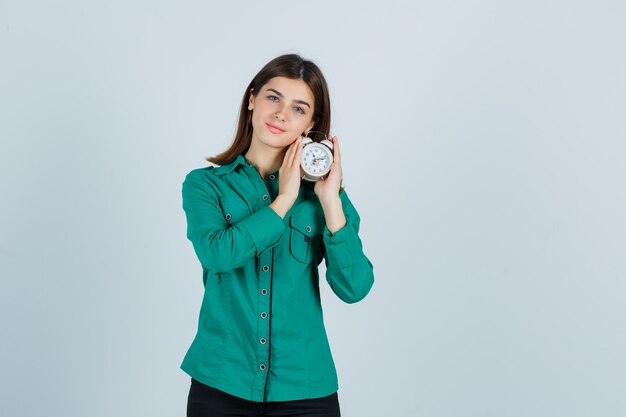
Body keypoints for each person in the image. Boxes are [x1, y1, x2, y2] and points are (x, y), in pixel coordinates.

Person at [181, 53, 375, 417]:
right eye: (273, 97)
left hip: (305, 387)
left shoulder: (326, 197)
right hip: (220, 383)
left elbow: (355, 287)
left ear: (311, 122)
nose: (282, 114)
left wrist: (330, 200)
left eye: (299, 108)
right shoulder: (204, 185)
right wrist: (284, 199)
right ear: (252, 99)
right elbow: (217, 254)